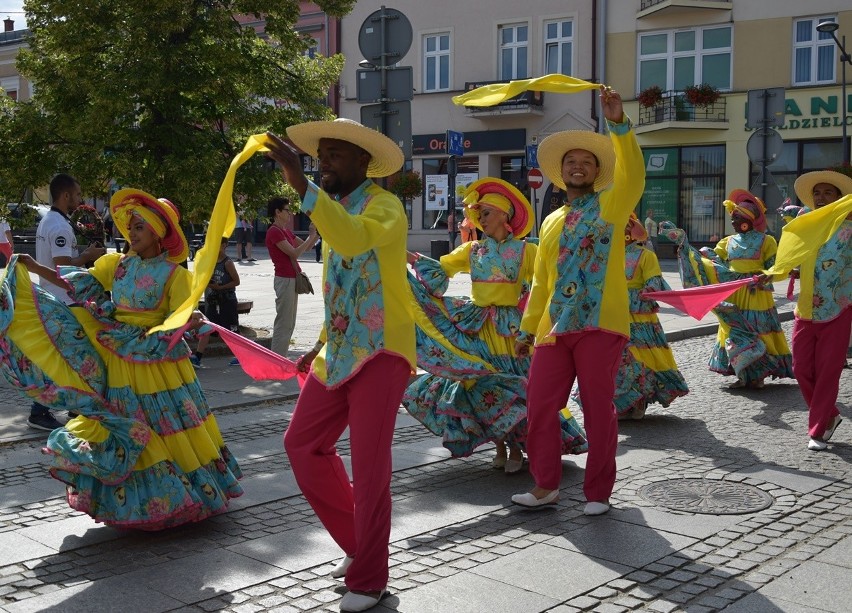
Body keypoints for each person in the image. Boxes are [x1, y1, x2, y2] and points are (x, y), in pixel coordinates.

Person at [0, 189, 243, 528]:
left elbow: (182, 315)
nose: (132, 233)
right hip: (118, 352)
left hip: (158, 361)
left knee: (165, 427)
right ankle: (128, 502)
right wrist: (33, 265)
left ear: (159, 232)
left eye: (140, 227)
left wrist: (192, 317)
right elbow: (72, 286)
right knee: (121, 423)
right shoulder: (117, 265)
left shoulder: (175, 275)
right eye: (131, 227)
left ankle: (176, 497)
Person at [265, 118, 415, 613]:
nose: (324, 162)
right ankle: (360, 544)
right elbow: (342, 287)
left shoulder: (386, 206)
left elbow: (351, 242)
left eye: (335, 155)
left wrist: (300, 184)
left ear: (363, 163)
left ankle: (370, 577)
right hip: (341, 349)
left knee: (370, 469)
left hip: (383, 351)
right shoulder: (334, 209)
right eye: (321, 154)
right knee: (302, 444)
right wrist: (320, 340)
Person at [510, 85, 644, 517]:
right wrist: (527, 329)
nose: (579, 166)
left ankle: (598, 492)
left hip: (599, 325)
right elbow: (541, 281)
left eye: (587, 162)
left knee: (598, 408)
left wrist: (618, 124)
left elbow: (634, 176)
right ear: (560, 171)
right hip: (554, 328)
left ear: (598, 172)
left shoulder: (611, 205)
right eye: (572, 162)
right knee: (540, 405)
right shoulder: (551, 220)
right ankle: (546, 484)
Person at [403, 178, 587, 474]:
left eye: (485, 214)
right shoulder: (473, 250)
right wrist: (406, 258)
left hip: (511, 328)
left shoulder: (526, 251)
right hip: (477, 326)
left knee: (515, 387)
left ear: (504, 214)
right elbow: (440, 270)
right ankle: (500, 446)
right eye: (477, 215)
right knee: (480, 382)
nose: (479, 220)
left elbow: (549, 275)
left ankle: (516, 447)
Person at [664, 189, 794, 389]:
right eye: (732, 218)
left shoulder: (766, 241)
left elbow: (775, 265)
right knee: (734, 327)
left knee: (756, 328)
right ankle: (742, 373)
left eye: (737, 218)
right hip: (733, 290)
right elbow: (709, 261)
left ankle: (758, 374)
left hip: (755, 292)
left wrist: (766, 275)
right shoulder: (728, 241)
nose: (733, 222)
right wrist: (686, 247)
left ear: (749, 220)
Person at [576, 214, 688, 419]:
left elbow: (654, 280)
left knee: (639, 357)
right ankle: (622, 402)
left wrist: (644, 292)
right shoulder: (606, 256)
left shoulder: (645, 256)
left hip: (638, 316)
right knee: (614, 359)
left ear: (629, 232)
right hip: (611, 314)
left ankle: (638, 403)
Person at [28, 174, 105, 432]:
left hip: (57, 297)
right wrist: (88, 256)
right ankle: (40, 411)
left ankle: (76, 407)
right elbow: (62, 265)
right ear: (66, 196)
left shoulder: (50, 221)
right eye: (78, 194)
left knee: (72, 355)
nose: (80, 199)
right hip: (63, 299)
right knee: (71, 355)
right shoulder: (59, 226)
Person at [788, 170, 852, 451]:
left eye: (828, 193)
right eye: (817, 193)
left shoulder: (849, 228)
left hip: (838, 309)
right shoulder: (805, 224)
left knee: (828, 371)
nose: (821, 197)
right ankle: (831, 416)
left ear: (839, 198)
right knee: (800, 369)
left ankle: (816, 430)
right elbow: (790, 256)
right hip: (805, 310)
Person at [265, 196, 319, 356]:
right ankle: (277, 360)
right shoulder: (274, 231)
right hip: (284, 279)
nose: (290, 214)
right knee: (284, 322)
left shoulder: (284, 231)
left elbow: (306, 247)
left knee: (290, 322)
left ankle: (280, 357)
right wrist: (310, 238)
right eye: (287, 210)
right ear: (277, 212)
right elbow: (295, 252)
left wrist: (314, 233)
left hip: (291, 278)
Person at [191, 235, 241, 367]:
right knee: (206, 327)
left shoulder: (227, 262)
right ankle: (198, 356)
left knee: (231, 329)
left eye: (218, 244)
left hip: (227, 299)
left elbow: (236, 281)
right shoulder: (210, 261)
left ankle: (240, 356)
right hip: (213, 299)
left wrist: (221, 287)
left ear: (224, 245)